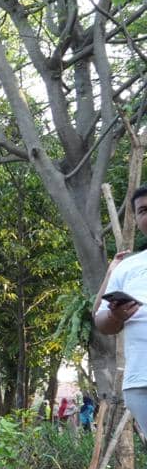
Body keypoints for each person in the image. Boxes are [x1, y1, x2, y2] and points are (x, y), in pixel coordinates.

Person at [95, 184, 147, 439]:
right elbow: (101, 321)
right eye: (143, 210)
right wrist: (116, 315)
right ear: (136, 219)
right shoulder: (127, 267)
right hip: (141, 380)